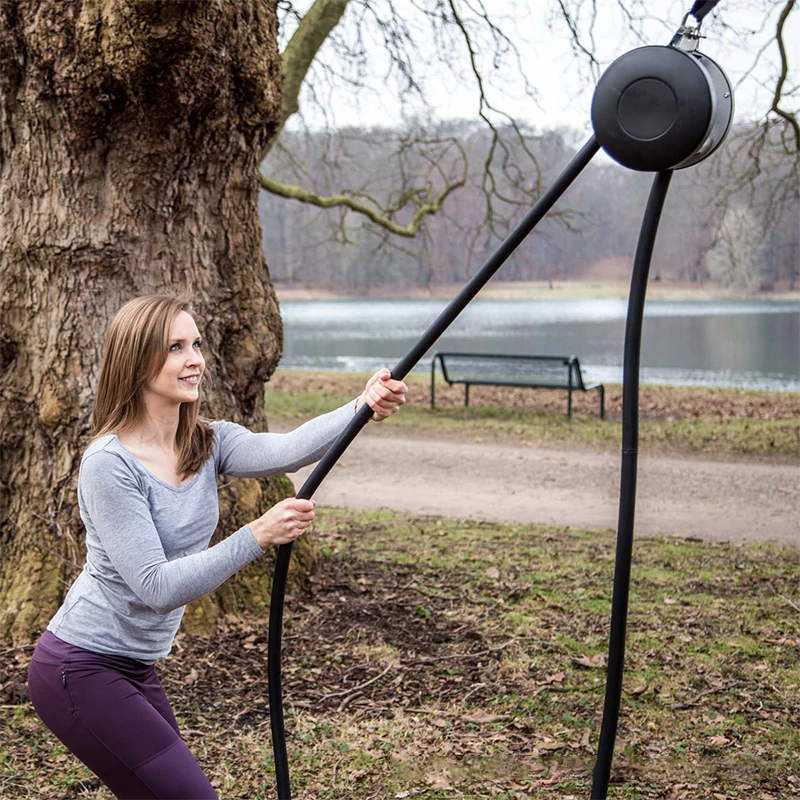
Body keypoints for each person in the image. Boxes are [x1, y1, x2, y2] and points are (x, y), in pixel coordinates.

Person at [26, 294, 408, 800]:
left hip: (136, 667)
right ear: (137, 361)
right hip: (80, 669)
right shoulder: (109, 465)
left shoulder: (206, 442)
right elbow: (156, 587)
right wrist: (258, 533)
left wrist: (362, 405)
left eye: (197, 343)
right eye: (176, 347)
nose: (196, 359)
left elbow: (291, 449)